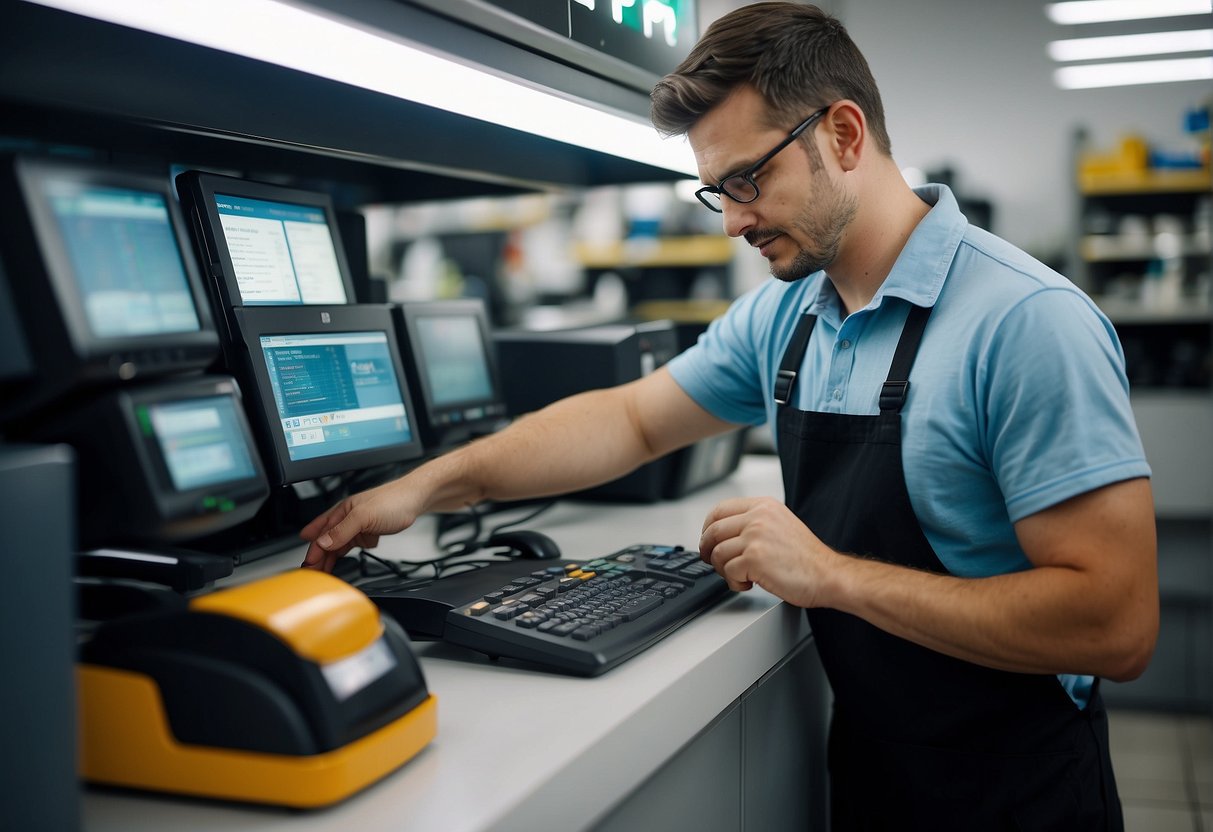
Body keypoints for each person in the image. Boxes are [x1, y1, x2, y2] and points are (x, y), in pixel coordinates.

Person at [303, 3, 1157, 828]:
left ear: (843, 135)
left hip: (1014, 794)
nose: (735, 221)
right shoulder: (789, 317)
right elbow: (631, 422)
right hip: (871, 769)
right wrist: (426, 485)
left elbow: (1114, 625)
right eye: (716, 192)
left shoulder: (1025, 322)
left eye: (748, 180)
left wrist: (831, 576)